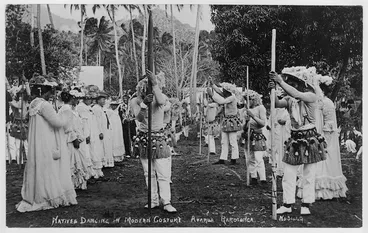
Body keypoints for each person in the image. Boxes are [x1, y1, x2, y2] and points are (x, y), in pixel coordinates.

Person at [269, 66, 327, 216]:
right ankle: (287, 203)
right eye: (291, 82)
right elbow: (276, 103)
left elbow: (296, 93)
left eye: (295, 82)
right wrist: (273, 90)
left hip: (310, 138)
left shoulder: (311, 96)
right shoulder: (290, 99)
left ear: (304, 84)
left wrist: (280, 82)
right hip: (295, 138)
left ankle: (306, 204)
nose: (292, 85)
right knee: (289, 172)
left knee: (309, 172)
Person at [16, 75, 77, 212]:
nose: (52, 94)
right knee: (47, 167)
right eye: (50, 90)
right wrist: (67, 114)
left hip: (38, 140)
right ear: (43, 90)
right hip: (45, 141)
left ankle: (36, 193)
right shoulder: (44, 105)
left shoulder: (33, 103)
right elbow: (57, 123)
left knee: (39, 166)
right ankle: (46, 195)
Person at [131, 71, 177, 213]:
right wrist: (144, 105)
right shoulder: (135, 101)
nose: (144, 91)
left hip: (158, 137)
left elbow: (162, 101)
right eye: (143, 89)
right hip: (144, 137)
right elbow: (138, 118)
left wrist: (155, 85)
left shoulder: (159, 97)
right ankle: (153, 200)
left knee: (163, 172)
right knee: (148, 173)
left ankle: (166, 201)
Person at [310, 82, 348, 200]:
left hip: (326, 136)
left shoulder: (327, 103)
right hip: (316, 134)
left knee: (325, 160)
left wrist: (323, 140)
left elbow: (330, 123)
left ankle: (326, 190)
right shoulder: (316, 102)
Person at [207, 82, 242, 165]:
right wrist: (212, 85)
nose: (223, 91)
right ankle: (223, 158)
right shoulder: (228, 96)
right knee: (224, 141)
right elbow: (219, 92)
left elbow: (221, 101)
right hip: (226, 120)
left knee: (232, 140)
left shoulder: (232, 98)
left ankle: (234, 159)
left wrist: (212, 95)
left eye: (224, 90)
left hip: (232, 120)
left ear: (227, 91)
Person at [242, 89, 267, 185]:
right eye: (245, 100)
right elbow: (244, 127)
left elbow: (262, 123)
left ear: (253, 100)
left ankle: (263, 178)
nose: (246, 102)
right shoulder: (246, 111)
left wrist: (253, 117)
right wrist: (247, 121)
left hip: (257, 135)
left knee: (258, 157)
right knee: (249, 157)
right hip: (248, 135)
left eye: (248, 100)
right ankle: (253, 177)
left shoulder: (261, 108)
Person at [92, 91, 114, 167]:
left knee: (106, 145)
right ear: (98, 100)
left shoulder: (101, 108)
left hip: (105, 128)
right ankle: (102, 162)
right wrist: (100, 132)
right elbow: (97, 122)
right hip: (100, 130)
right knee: (101, 146)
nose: (104, 101)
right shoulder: (96, 108)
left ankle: (106, 161)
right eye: (102, 99)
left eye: (104, 99)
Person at [106, 97, 125, 162]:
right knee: (113, 139)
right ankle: (112, 156)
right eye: (113, 105)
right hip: (112, 127)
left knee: (118, 137)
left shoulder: (117, 112)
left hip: (117, 127)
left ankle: (119, 156)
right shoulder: (108, 112)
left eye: (115, 105)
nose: (114, 107)